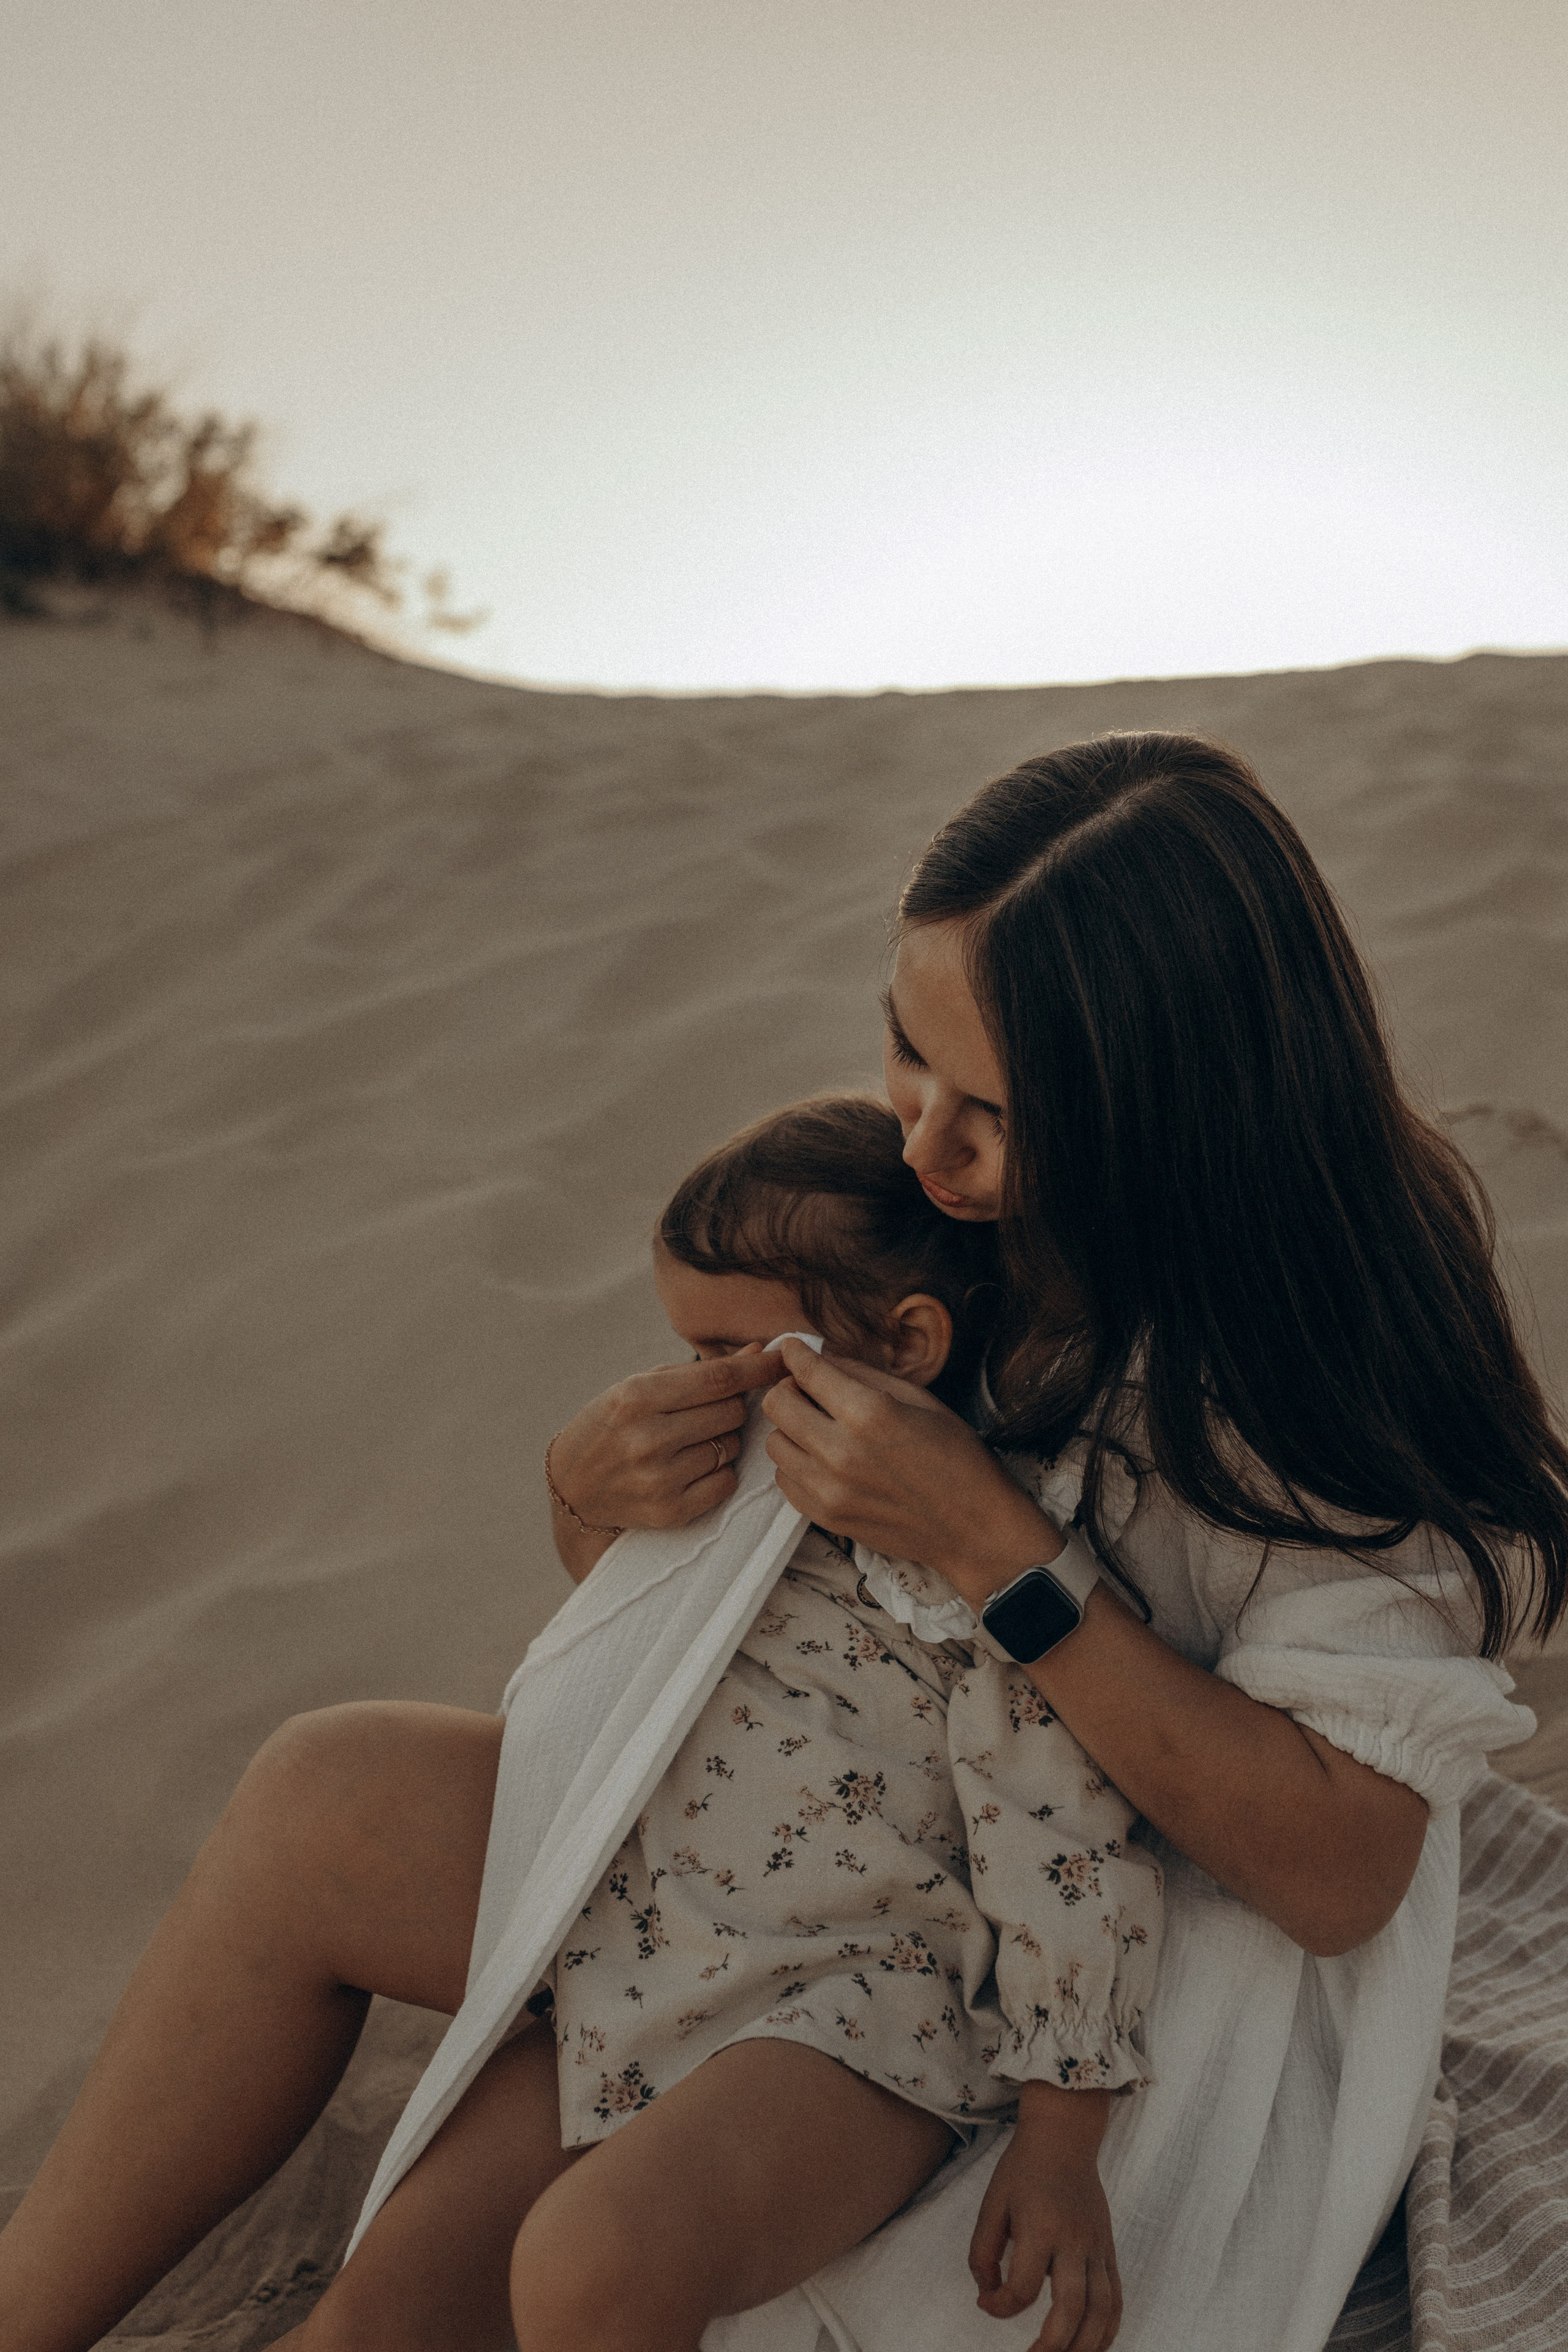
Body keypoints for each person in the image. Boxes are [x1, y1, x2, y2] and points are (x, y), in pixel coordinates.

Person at [1, 732, 1561, 2352]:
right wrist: (593, 1493)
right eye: (908, 1053)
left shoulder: (1308, 1368)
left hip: (1018, 1979)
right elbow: (763, 1614)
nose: (924, 1149)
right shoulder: (934, 1215)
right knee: (322, 1806)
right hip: (754, 1847)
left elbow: (1341, 1869)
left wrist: (1005, 1557)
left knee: (530, 2275)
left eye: (996, 1112)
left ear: (1175, 1114)